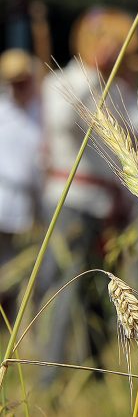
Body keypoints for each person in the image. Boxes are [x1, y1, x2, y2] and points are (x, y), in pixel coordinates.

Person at [38, 8, 138, 381]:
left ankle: (96, 370)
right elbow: (62, 121)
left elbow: (135, 130)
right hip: (71, 202)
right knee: (66, 287)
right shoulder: (59, 81)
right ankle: (49, 375)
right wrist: (91, 74)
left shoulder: (114, 87)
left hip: (108, 205)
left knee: (104, 291)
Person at [0, 49, 42, 314]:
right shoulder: (2, 111)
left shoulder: (40, 111)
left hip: (28, 204)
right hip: (2, 197)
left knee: (18, 270)